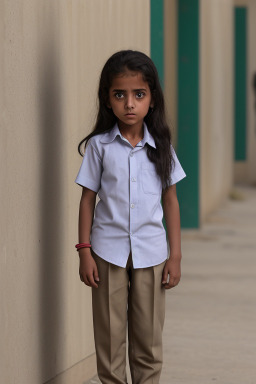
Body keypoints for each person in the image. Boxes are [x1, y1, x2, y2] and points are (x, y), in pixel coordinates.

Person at [75, 50, 186, 384]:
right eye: (119, 95)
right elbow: (87, 199)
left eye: (139, 94)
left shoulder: (162, 146)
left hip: (152, 255)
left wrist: (175, 255)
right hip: (106, 254)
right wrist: (84, 251)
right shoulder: (99, 147)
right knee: (109, 343)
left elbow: (171, 201)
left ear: (152, 99)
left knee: (148, 344)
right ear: (107, 100)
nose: (129, 104)